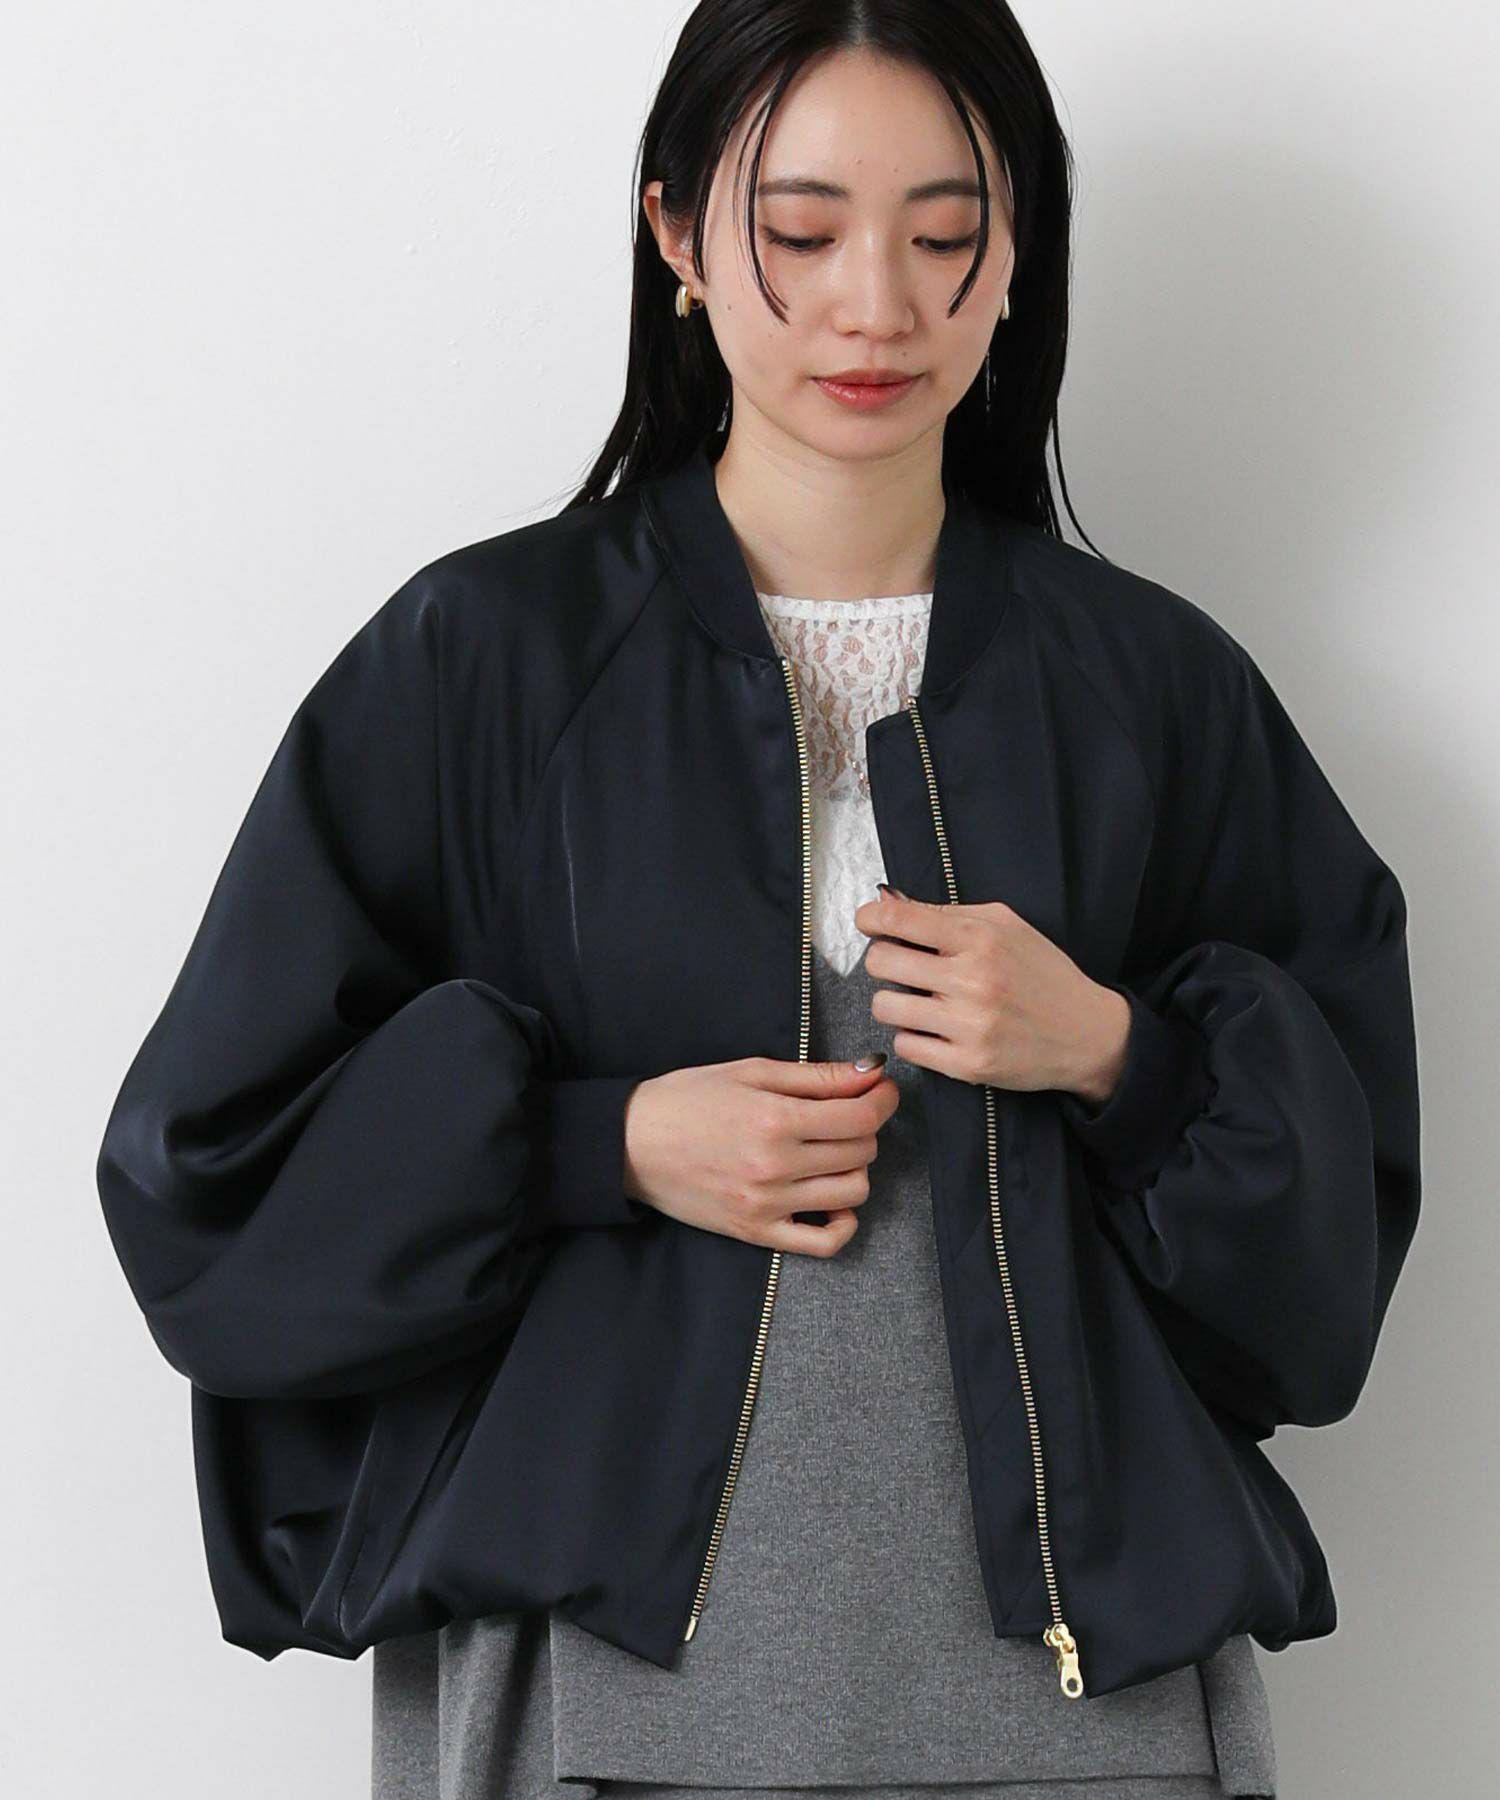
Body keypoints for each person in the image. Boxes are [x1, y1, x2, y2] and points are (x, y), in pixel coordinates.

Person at [96, 5, 1422, 1799]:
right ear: (677, 237)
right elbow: (207, 1187)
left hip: (1094, 1722)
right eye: (801, 231)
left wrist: (1118, 1056)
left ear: (1014, 253)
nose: (876, 305)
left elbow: (1325, 1290)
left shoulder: (1156, 693)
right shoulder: (484, 665)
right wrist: (601, 1144)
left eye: (944, 234)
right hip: (606, 1708)